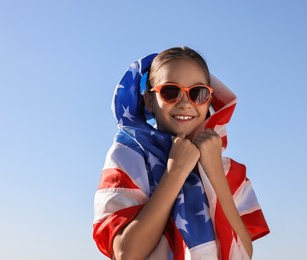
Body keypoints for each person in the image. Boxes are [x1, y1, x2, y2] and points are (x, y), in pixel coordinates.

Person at [93, 47, 270, 260]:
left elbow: (242, 252)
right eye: (170, 92)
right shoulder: (129, 157)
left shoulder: (228, 170)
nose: (185, 103)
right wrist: (175, 172)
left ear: (209, 101)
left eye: (198, 93)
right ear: (149, 100)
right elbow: (126, 253)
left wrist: (213, 170)